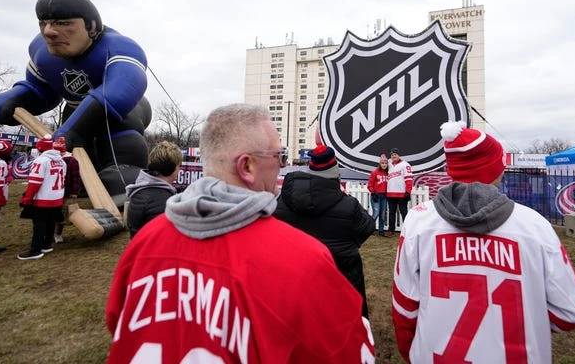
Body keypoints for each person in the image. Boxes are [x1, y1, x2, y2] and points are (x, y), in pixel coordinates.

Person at [106, 104, 375, 363]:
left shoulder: (144, 242)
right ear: (247, 167)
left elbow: (117, 321)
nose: (283, 166)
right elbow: (346, 352)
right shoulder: (304, 258)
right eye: (279, 156)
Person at [392, 121, 575, 364]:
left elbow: (404, 308)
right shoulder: (535, 227)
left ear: (451, 170)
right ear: (496, 169)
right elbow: (570, 313)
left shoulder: (418, 222)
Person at [0, 0, 152, 206]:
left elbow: (120, 91)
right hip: (73, 110)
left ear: (91, 27)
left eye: (62, 23)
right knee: (75, 148)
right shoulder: (40, 51)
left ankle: (124, 171)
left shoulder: (120, 47)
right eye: (44, 23)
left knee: (118, 137)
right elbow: (43, 91)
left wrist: (76, 128)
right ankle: (77, 180)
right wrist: (16, 99)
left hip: (122, 111)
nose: (49, 32)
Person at [274, 144, 375, 318]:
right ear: (334, 172)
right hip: (341, 281)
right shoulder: (348, 204)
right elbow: (367, 227)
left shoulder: (282, 202)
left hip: (294, 284)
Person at [18, 135, 67, 260]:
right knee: (51, 222)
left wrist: (27, 199)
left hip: (43, 198)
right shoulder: (61, 161)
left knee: (39, 225)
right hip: (56, 197)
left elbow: (35, 182)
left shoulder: (40, 161)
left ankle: (36, 250)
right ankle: (47, 244)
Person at [125, 140, 182, 239]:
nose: (179, 170)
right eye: (179, 166)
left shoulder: (142, 190)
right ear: (172, 168)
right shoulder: (163, 203)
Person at [53, 137, 80, 244]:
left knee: (62, 214)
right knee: (52, 213)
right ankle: (51, 233)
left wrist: (74, 192)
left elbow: (75, 177)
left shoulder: (71, 160)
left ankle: (57, 233)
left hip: (65, 191)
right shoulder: (51, 159)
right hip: (53, 191)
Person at [386, 147, 412, 235]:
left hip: (402, 193)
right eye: (392, 155)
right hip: (390, 193)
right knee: (391, 212)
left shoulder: (405, 165)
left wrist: (408, 191)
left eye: (395, 154)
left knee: (404, 212)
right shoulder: (388, 164)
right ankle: (391, 230)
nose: (393, 156)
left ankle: (407, 230)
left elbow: (409, 179)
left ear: (398, 155)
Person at [367, 154, 389, 236]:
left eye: (385, 163)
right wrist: (373, 193)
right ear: (380, 164)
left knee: (382, 214)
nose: (384, 165)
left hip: (384, 196)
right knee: (376, 213)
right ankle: (369, 230)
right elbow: (369, 185)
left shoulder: (388, 173)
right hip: (376, 195)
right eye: (382, 163)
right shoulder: (375, 172)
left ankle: (381, 230)